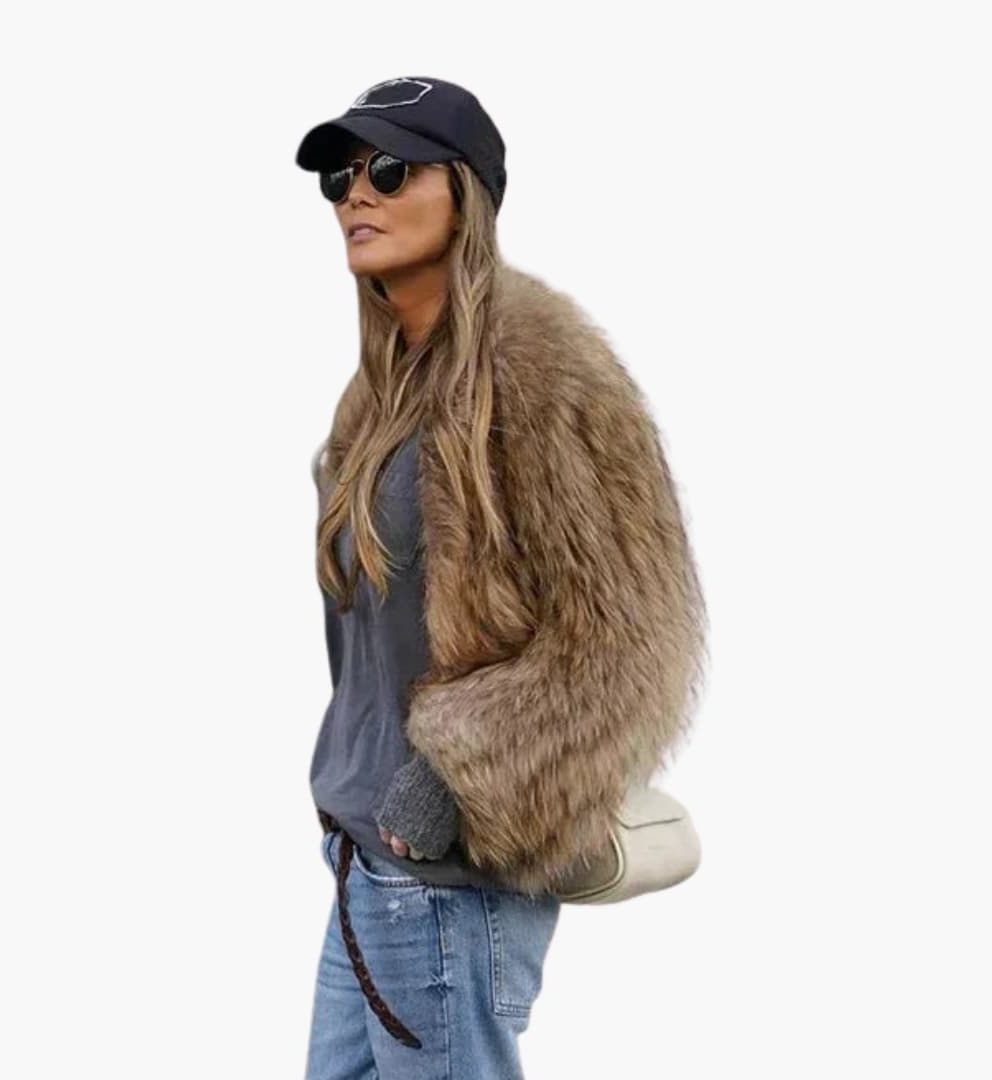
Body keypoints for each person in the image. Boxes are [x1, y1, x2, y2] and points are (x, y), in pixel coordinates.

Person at [294, 76, 708, 1080]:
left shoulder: (543, 374)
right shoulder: (384, 391)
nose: (358, 194)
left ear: (466, 191)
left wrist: (450, 774)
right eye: (341, 178)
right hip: (363, 863)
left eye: (391, 170)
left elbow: (633, 642)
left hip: (448, 881)